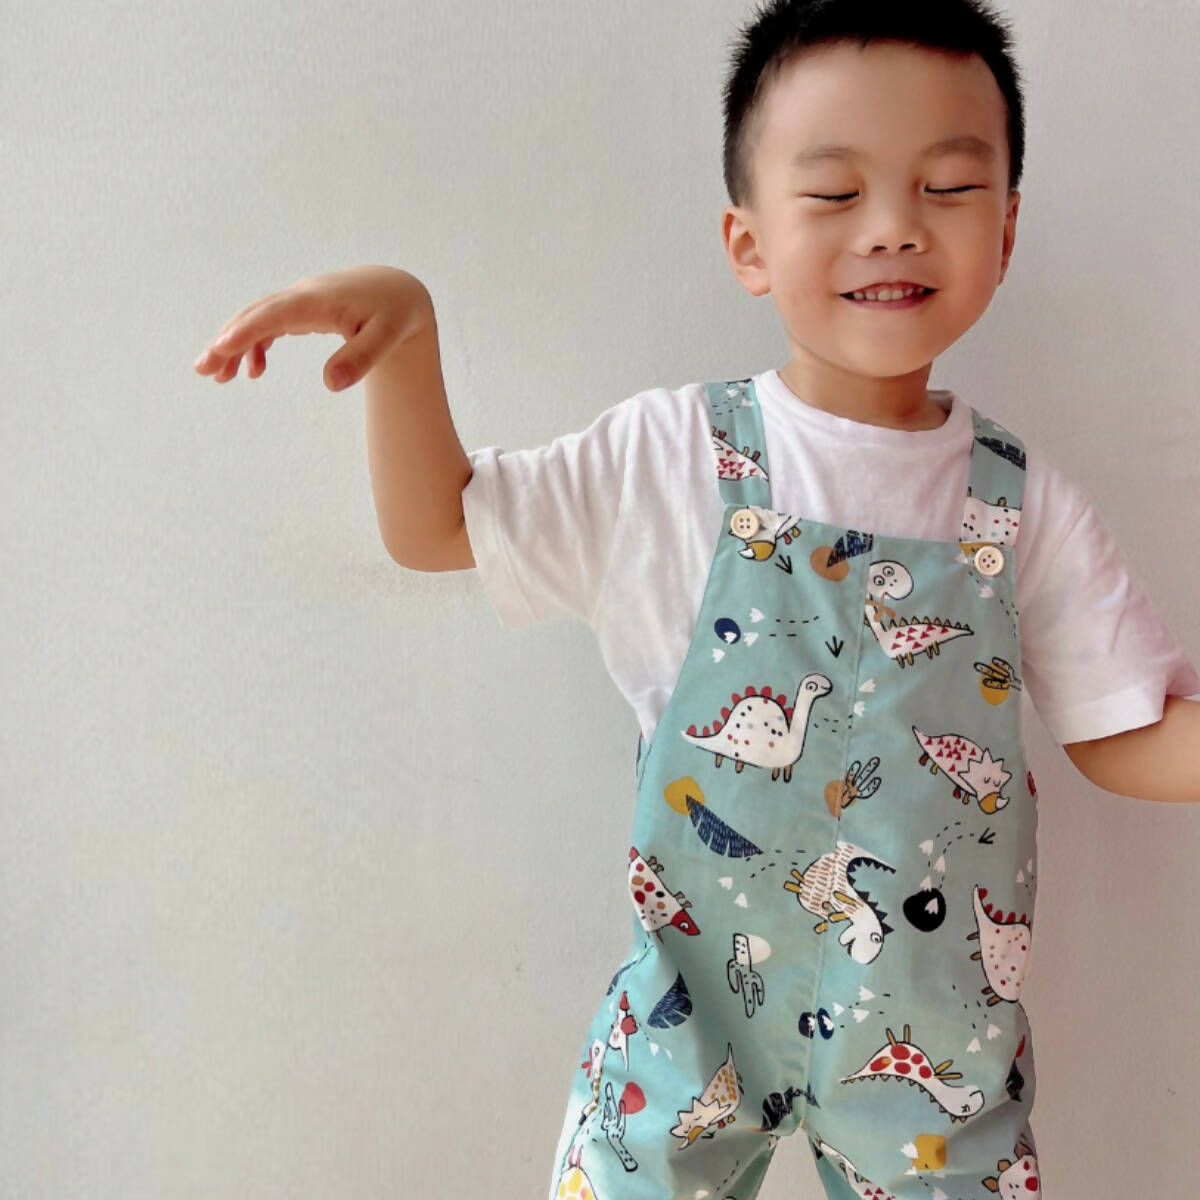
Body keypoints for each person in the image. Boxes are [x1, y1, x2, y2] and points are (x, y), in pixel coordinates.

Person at [192, 2, 1200, 1196]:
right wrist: (407, 337)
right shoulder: (669, 455)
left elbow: (1122, 730)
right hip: (689, 1027)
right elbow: (438, 529)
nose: (893, 227)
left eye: (947, 188)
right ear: (748, 243)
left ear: (1008, 229)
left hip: (934, 1043)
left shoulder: (1021, 504)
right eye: (836, 193)